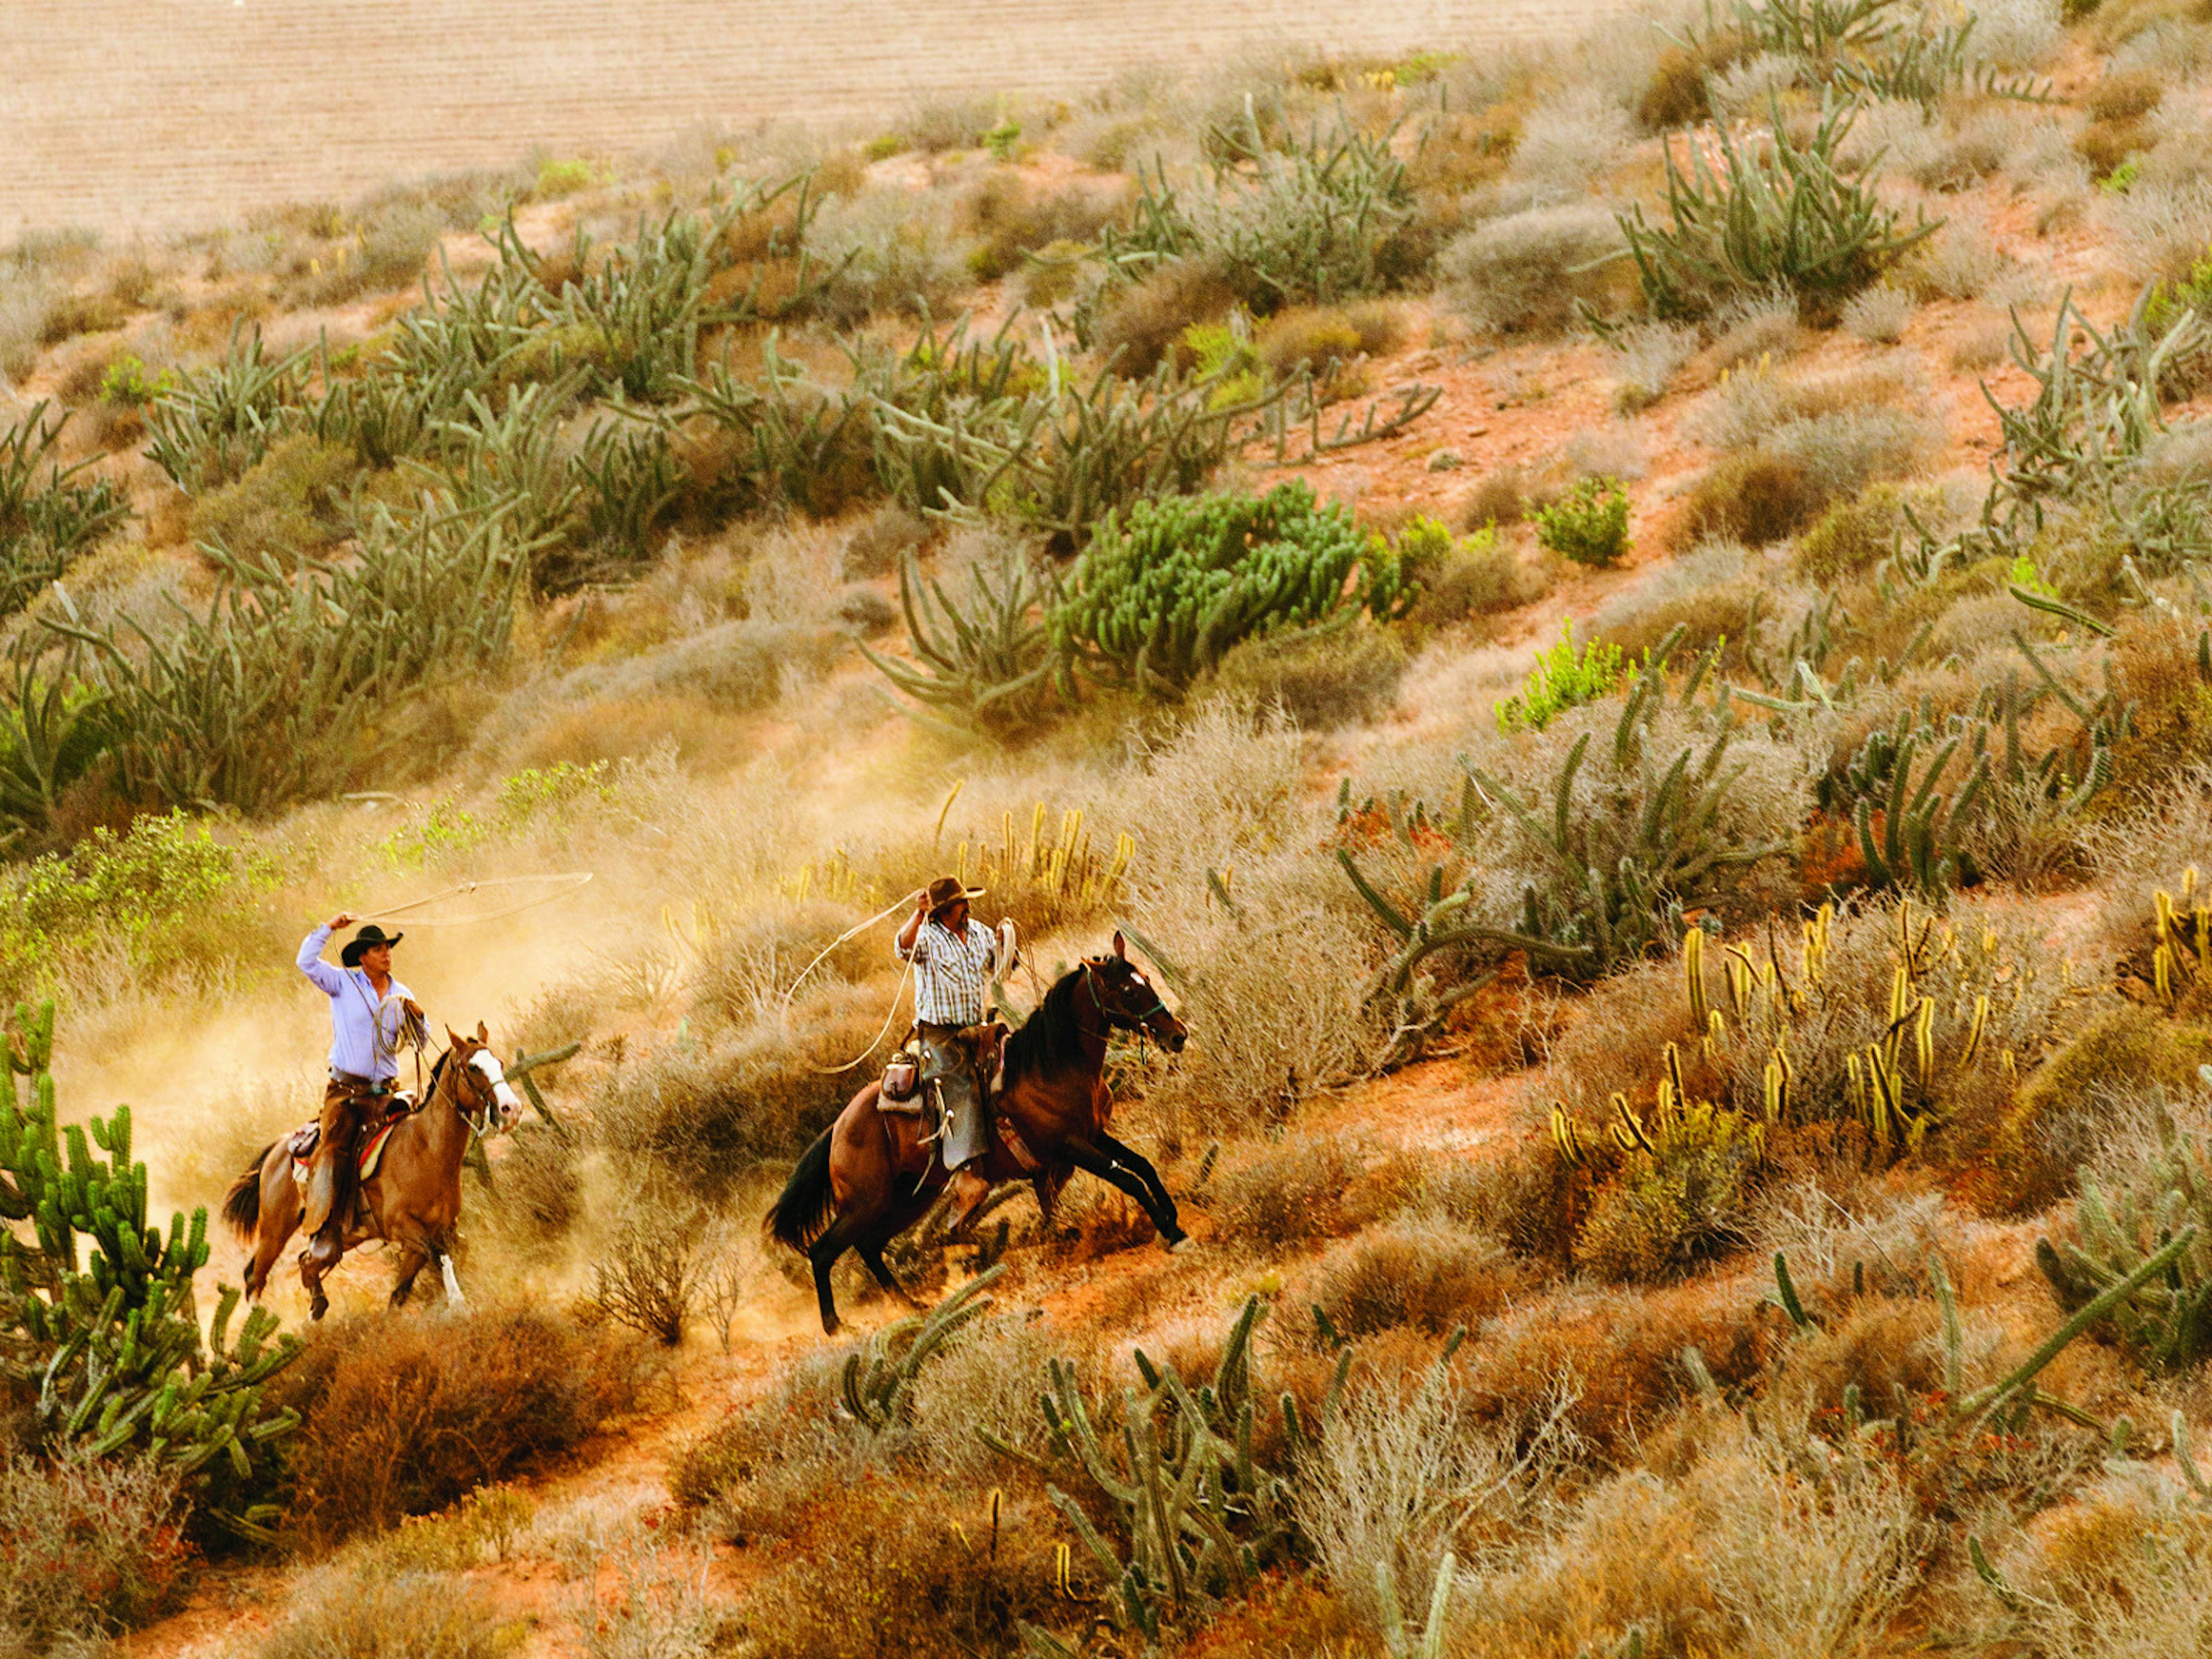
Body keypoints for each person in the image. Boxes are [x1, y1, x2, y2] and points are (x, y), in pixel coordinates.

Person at [296, 913, 427, 1290]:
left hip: (385, 1091)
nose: (386, 954)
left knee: (422, 1135)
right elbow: (305, 962)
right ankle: (324, 1232)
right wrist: (329, 929)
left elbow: (419, 1039)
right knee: (335, 1147)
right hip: (346, 1093)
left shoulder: (403, 993)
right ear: (363, 957)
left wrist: (418, 1018)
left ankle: (422, 1213)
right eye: (377, 949)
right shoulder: (342, 982)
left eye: (387, 948)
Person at [894, 876, 1017, 1215]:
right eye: (963, 903)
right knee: (960, 1085)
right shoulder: (926, 937)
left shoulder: (978, 932)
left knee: (1015, 1058)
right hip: (939, 1034)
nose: (968, 908)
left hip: (975, 1028)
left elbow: (1003, 963)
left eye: (967, 902)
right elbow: (902, 947)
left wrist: (1008, 944)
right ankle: (965, 1172)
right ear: (946, 910)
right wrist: (917, 916)